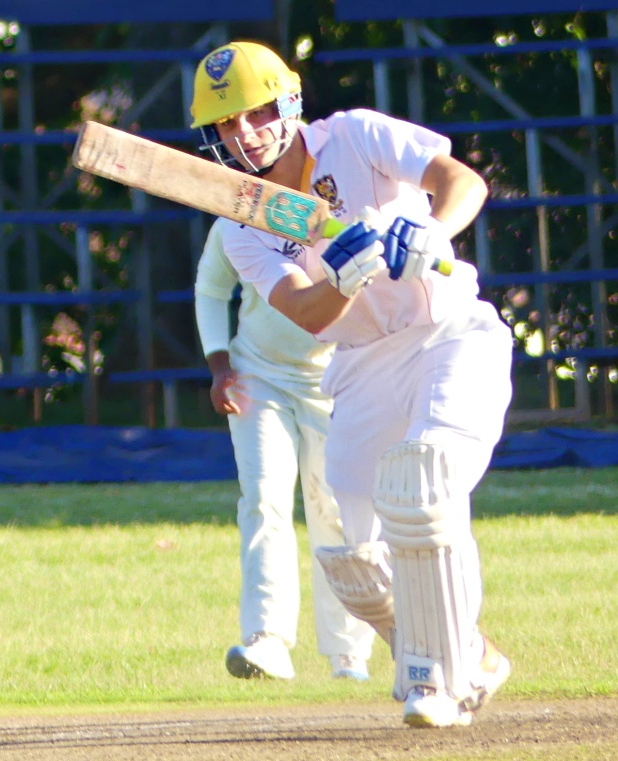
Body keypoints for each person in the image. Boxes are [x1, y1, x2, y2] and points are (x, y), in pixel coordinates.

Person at [188, 40, 514, 728]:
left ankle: (435, 680)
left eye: (255, 113)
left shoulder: (356, 135)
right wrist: (345, 276)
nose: (244, 134)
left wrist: (431, 228)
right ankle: (470, 654)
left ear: (288, 103)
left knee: (423, 486)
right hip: (360, 361)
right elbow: (307, 313)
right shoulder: (243, 222)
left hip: (447, 332)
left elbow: (463, 182)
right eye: (226, 124)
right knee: (356, 564)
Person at [195, 217, 378, 683]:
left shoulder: (345, 204)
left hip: (337, 376)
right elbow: (212, 288)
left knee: (333, 507)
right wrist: (219, 367)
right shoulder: (237, 216)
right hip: (258, 374)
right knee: (263, 498)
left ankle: (349, 652)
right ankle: (267, 639)